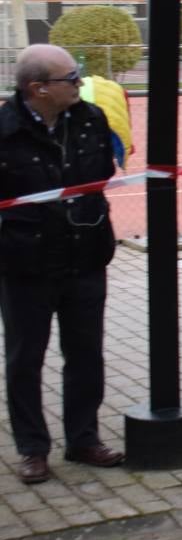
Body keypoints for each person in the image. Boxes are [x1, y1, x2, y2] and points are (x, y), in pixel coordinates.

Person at [0, 44, 123, 484]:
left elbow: (103, 172)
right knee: (24, 358)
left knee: (86, 353)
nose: (79, 82)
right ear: (39, 89)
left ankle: (83, 438)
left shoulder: (90, 118)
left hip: (85, 255)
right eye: (70, 77)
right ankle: (32, 448)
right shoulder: (6, 129)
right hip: (26, 264)